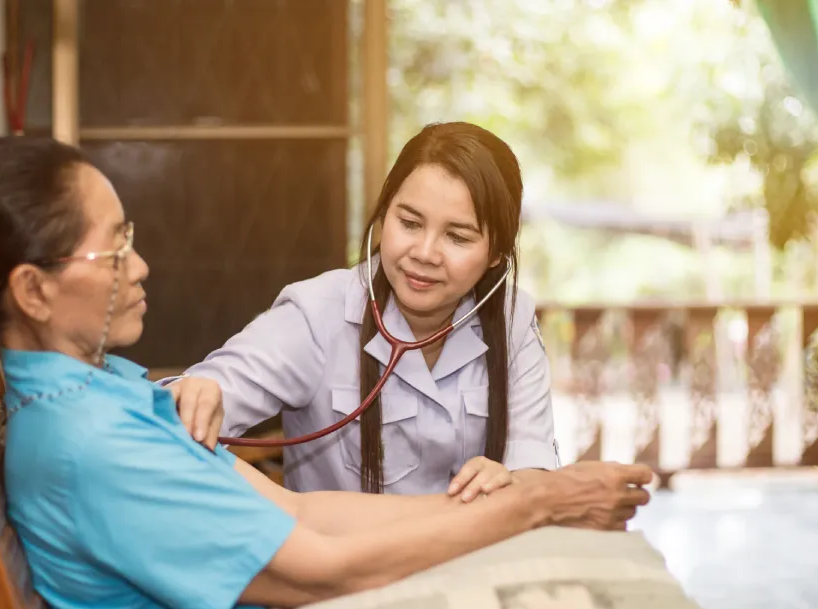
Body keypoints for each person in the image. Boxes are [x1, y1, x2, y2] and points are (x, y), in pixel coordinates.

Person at [0, 136, 654, 609]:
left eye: (459, 237)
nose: (141, 267)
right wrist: (539, 504)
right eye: (116, 249)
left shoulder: (110, 392)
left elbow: (299, 510)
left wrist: (531, 496)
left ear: (495, 255)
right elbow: (321, 566)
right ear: (34, 293)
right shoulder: (88, 443)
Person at [168, 122, 562, 501]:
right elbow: (184, 408)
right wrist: (196, 393)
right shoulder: (316, 313)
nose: (424, 253)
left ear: (496, 255)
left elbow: (535, 467)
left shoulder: (514, 323)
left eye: (457, 237)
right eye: (409, 223)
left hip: (471, 566)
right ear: (383, 214)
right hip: (344, 566)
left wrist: (514, 483)